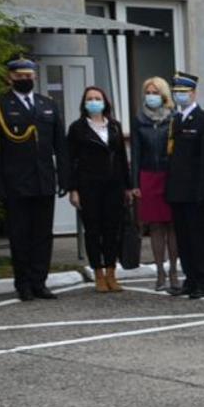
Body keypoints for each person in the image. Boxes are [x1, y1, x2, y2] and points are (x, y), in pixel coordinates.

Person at [0, 53, 66, 301]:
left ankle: (40, 281)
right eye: (19, 76)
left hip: (43, 180)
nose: (24, 79)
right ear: (10, 78)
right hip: (15, 182)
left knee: (43, 235)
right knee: (20, 235)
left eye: (28, 76)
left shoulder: (47, 104)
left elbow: (59, 145)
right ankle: (24, 283)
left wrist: (65, 178)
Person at [64, 86, 137, 294]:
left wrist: (128, 186)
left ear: (105, 102)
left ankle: (112, 272)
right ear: (84, 103)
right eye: (90, 98)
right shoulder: (77, 128)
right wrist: (73, 189)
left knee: (113, 230)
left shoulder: (114, 126)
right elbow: (71, 160)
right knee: (94, 230)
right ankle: (98, 273)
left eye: (98, 98)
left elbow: (122, 158)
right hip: (89, 187)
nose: (94, 101)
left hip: (114, 186)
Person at [163, 72, 204, 299]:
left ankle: (203, 282)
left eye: (184, 92)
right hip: (177, 190)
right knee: (184, 238)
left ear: (193, 93)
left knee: (199, 238)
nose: (179, 96)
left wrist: (203, 189)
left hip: (195, 190)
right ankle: (190, 279)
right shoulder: (176, 120)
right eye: (177, 92)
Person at [132, 77, 179, 291]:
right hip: (148, 176)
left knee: (172, 226)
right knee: (156, 226)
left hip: (170, 176)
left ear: (164, 95)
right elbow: (136, 153)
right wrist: (134, 183)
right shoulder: (140, 119)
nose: (151, 96)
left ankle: (174, 272)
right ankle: (160, 272)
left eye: (155, 92)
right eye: (148, 92)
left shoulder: (174, 118)